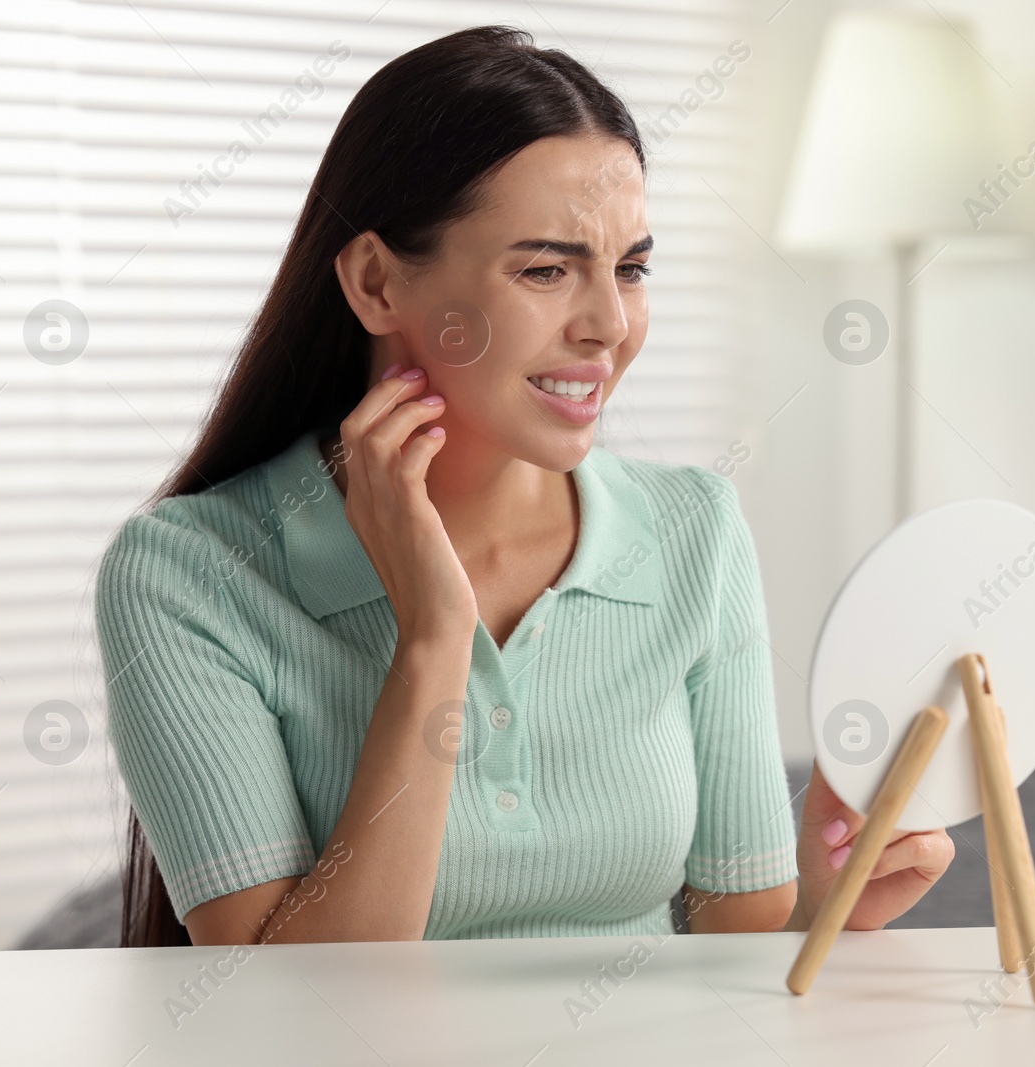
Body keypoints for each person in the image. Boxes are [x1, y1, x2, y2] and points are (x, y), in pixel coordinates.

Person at [95, 24, 953, 947]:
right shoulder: (187, 573)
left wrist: (825, 910)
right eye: (546, 269)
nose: (610, 325)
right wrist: (432, 640)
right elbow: (288, 1011)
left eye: (631, 269)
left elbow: (731, 949)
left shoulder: (694, 529)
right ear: (379, 282)